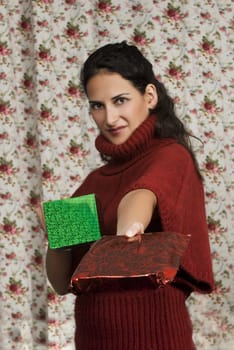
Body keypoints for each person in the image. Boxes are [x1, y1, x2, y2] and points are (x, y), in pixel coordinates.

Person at [45, 41, 214, 350]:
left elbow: (144, 193)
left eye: (120, 100)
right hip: (93, 339)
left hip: (155, 338)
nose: (109, 118)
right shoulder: (95, 182)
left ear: (149, 96)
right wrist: (57, 237)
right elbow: (61, 283)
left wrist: (132, 224)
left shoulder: (170, 156)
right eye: (98, 105)